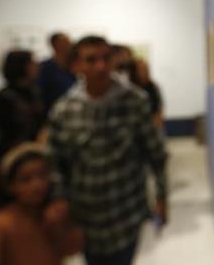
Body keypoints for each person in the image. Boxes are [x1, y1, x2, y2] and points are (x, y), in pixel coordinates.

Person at [48, 36, 168, 265]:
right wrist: (61, 205)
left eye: (106, 58)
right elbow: (57, 164)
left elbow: (156, 154)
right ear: (76, 66)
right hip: (86, 217)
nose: (101, 66)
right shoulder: (64, 111)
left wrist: (161, 197)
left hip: (126, 211)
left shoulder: (135, 102)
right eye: (91, 60)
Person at [0, 143, 84, 265]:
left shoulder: (56, 211)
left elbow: (73, 249)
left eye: (42, 176)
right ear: (10, 186)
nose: (37, 185)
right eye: (26, 179)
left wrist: (59, 227)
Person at [0, 50, 45, 166]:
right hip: (13, 154)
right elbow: (5, 131)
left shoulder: (34, 92)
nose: (37, 67)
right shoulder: (4, 97)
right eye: (32, 63)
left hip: (33, 151)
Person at [37, 32, 76, 114]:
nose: (70, 45)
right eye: (66, 43)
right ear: (56, 45)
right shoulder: (45, 68)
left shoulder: (75, 66)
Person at [128, 58, 165, 128]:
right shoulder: (130, 89)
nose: (145, 71)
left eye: (146, 68)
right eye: (141, 69)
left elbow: (159, 108)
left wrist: (156, 124)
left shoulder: (153, 87)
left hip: (152, 125)